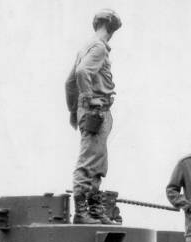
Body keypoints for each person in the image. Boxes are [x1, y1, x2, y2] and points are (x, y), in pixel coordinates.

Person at [65, 9, 122, 224]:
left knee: (98, 160)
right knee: (90, 161)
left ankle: (95, 210)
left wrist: (74, 110)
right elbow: (81, 74)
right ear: (111, 26)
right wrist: (89, 100)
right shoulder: (98, 47)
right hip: (96, 110)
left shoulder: (85, 47)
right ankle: (82, 212)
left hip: (92, 111)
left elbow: (69, 83)